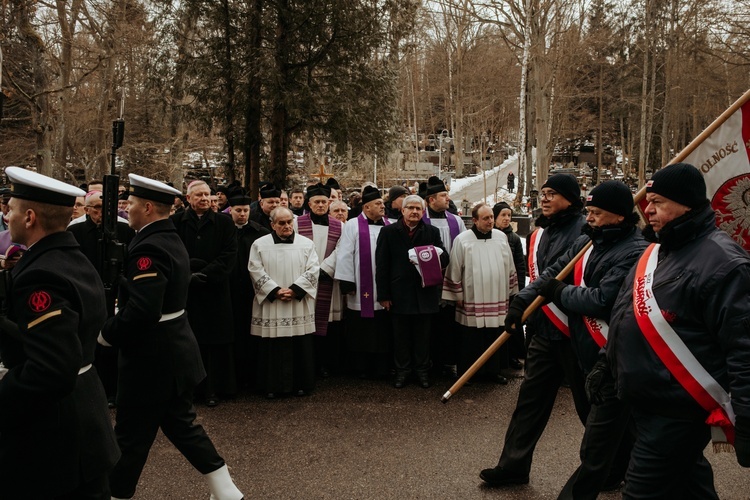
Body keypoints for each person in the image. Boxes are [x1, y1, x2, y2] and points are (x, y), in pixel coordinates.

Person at [603, 163, 750, 499]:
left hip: (678, 410)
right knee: (688, 485)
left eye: (657, 201)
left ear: (687, 204)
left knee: (640, 492)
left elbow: (743, 347)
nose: (647, 209)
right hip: (646, 400)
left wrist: (747, 418)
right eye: (647, 201)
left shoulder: (724, 263)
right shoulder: (657, 252)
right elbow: (627, 317)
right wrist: (605, 364)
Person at [100, 174, 243, 500]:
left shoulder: (149, 246)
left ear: (148, 207)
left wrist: (107, 334)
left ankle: (116, 495)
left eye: (132, 203)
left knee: (131, 436)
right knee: (180, 424)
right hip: (173, 350)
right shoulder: (167, 236)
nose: (127, 208)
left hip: (152, 357)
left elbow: (144, 311)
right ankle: (226, 490)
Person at [0, 167, 119, 498]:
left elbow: (51, 370)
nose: (6, 215)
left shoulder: (41, 275)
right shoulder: (71, 259)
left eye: (11, 209)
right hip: (80, 417)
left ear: (30, 217)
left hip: (53, 435)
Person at [531, 181, 647, 498]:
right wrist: (524, 301)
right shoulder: (589, 241)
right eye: (589, 211)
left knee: (596, 442)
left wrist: (561, 292)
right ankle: (621, 474)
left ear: (619, 217)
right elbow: (553, 272)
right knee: (625, 433)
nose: (590, 218)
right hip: (589, 352)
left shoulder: (634, 252)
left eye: (597, 213)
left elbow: (601, 300)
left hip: (614, 355)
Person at [480, 172, 588, 487]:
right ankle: (513, 466)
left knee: (589, 405)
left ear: (570, 198)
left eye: (552, 193)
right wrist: (521, 309)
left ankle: (613, 465)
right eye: (542, 192)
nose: (544, 198)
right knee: (530, 403)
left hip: (575, 331)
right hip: (543, 331)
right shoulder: (539, 233)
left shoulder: (585, 231)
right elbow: (538, 278)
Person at [171, 180, 238, 406]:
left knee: (213, 342)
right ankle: (188, 390)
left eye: (207, 195)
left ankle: (212, 389)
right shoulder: (175, 222)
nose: (204, 199)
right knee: (188, 342)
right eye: (198, 195)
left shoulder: (224, 222)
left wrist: (205, 274)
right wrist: (187, 274)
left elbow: (229, 255)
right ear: (188, 198)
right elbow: (171, 254)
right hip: (185, 291)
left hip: (215, 290)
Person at [68, 189, 135, 407]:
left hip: (115, 294)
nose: (102, 213)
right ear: (87, 210)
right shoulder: (75, 230)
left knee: (113, 342)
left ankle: (112, 390)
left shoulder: (123, 229)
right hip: (85, 293)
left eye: (106, 208)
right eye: (97, 208)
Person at [376, 194, 449, 388]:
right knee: (401, 337)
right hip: (399, 293)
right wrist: (383, 295)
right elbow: (382, 265)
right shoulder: (389, 232)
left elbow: (445, 258)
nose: (415, 212)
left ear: (423, 212)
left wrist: (432, 256)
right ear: (403, 210)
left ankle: (422, 371)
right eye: (411, 208)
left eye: (418, 209)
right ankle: (402, 371)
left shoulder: (431, 232)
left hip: (425, 294)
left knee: (423, 337)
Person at [249, 207, 319, 398]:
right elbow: (255, 270)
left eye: (289, 222)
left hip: (297, 301)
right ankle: (271, 386)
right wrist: (275, 290)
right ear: (272, 225)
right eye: (281, 223)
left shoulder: (306, 244)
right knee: (273, 346)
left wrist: (295, 290)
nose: (287, 226)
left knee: (299, 343)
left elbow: (313, 269)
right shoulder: (259, 244)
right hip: (272, 303)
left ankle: (301, 384)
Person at [443, 203, 518, 381]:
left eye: (491, 217)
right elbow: (454, 268)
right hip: (472, 297)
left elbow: (509, 265)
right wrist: (457, 294)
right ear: (475, 220)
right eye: (485, 218)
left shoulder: (501, 237)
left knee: (495, 333)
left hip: (497, 295)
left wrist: (511, 289)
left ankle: (494, 371)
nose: (490, 221)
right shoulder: (463, 240)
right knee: (471, 336)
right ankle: (469, 374)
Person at [336, 185, 392, 378]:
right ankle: (360, 367)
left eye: (382, 203)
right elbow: (344, 254)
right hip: (361, 286)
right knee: (361, 329)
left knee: (382, 328)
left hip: (384, 287)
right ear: (366, 207)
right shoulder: (352, 225)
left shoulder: (389, 224)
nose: (382, 206)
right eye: (378, 204)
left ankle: (381, 367)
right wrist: (347, 281)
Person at [294, 183, 344, 378]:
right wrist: (310, 273)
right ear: (309, 203)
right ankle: (307, 363)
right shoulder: (297, 223)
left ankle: (325, 363)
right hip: (304, 279)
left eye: (324, 201)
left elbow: (341, 249)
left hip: (326, 280)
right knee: (306, 322)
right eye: (317, 202)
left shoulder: (339, 225)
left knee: (327, 324)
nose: (321, 205)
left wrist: (323, 270)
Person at [421, 175, 466, 380]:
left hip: (451, 276)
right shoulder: (420, 219)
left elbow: (464, 247)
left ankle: (449, 362)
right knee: (429, 324)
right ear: (431, 199)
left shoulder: (456, 221)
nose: (448, 199)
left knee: (449, 324)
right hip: (426, 281)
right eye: (443, 195)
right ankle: (429, 362)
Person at [228, 194, 269, 392]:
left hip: (252, 289)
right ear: (230, 210)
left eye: (246, 210)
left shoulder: (259, 232)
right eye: (238, 210)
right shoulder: (224, 230)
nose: (243, 214)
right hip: (229, 289)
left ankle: (251, 376)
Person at [493, 202, 526, 371]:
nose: (506, 219)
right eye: (503, 215)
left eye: (509, 216)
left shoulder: (513, 238)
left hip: (510, 288)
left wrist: (519, 287)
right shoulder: (490, 235)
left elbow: (520, 264)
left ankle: (513, 355)